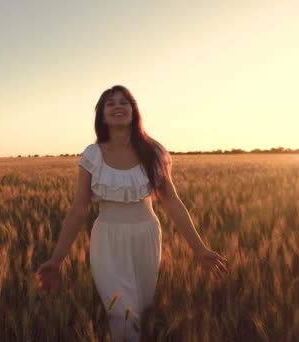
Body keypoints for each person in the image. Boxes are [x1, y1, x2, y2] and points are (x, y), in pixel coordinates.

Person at [36, 85, 228, 341]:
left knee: (140, 306)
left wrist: (200, 249)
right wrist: (56, 259)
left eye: (124, 102)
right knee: (120, 311)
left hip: (145, 235)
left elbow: (173, 203)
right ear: (101, 115)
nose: (118, 106)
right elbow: (78, 210)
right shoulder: (92, 155)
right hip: (107, 238)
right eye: (110, 103)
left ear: (134, 112)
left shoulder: (154, 152)